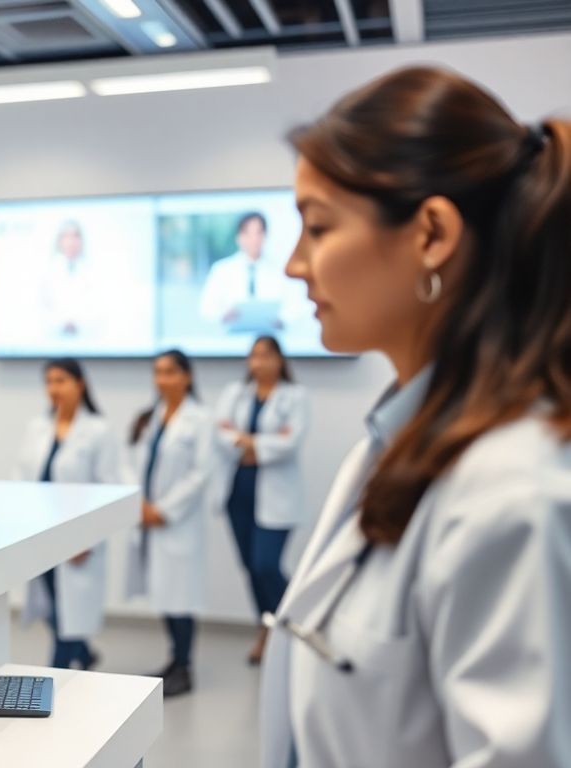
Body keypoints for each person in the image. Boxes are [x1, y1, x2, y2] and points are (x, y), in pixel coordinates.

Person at [260, 66, 571, 768]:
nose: (293, 265)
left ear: (431, 233)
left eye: (316, 228)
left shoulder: (511, 490)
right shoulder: (396, 435)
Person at [212, 336, 309, 665]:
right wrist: (260, 443)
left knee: (267, 565)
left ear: (280, 360)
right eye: (253, 356)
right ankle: (266, 630)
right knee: (251, 568)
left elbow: (291, 442)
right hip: (238, 491)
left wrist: (248, 443)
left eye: (266, 356)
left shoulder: (295, 396)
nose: (258, 362)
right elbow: (219, 433)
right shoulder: (234, 393)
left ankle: (297, 629)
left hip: (276, 495)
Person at [16, 359, 118, 670]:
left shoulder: (99, 431)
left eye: (61, 380)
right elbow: (20, 478)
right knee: (51, 608)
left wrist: (88, 538)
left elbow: (108, 489)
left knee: (67, 614)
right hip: (43, 535)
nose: (54, 388)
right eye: (49, 382)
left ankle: (53, 679)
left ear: (80, 384)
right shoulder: (38, 427)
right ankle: (84, 654)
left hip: (76, 540)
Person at [125, 349, 213, 697]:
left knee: (181, 598)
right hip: (148, 517)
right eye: (157, 372)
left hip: (177, 521)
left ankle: (185, 666)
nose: (162, 379)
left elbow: (201, 473)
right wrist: (142, 506)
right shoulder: (153, 417)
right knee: (164, 593)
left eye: (170, 372)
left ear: (186, 376)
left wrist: (164, 510)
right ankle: (173, 661)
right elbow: (134, 464)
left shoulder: (200, 419)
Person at [199, 213, 305, 334]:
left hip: (270, 339)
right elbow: (206, 309)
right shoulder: (221, 270)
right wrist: (223, 315)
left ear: (265, 236)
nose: (254, 239)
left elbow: (296, 305)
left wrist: (282, 319)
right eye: (248, 233)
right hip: (231, 342)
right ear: (239, 237)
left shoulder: (280, 270)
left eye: (258, 233)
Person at [37, 221, 109, 340]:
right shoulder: (46, 273)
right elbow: (42, 309)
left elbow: (99, 309)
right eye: (66, 236)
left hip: (86, 340)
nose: (71, 241)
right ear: (59, 241)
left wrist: (78, 324)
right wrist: (61, 323)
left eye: (75, 236)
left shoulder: (94, 272)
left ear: (81, 241)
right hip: (54, 341)